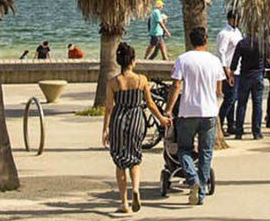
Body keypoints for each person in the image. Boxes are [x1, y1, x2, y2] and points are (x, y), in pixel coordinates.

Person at [102, 42, 168, 214]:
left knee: (120, 161)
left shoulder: (113, 82)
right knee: (135, 157)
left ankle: (124, 202)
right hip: (137, 120)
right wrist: (161, 119)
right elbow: (151, 103)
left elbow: (109, 107)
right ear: (132, 60)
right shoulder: (141, 80)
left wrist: (105, 129)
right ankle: (136, 190)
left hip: (118, 121)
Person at [165, 26, 224, 207]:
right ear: (205, 40)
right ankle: (201, 191)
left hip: (188, 111)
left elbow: (176, 86)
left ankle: (192, 180)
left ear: (191, 41)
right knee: (206, 152)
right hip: (209, 112)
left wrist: (168, 109)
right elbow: (219, 90)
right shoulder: (215, 61)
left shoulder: (182, 59)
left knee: (184, 149)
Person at [229, 34, 266, 140]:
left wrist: (231, 74)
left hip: (245, 75)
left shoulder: (242, 43)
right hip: (258, 75)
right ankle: (256, 132)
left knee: (241, 104)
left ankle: (239, 131)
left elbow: (235, 60)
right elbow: (268, 57)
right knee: (257, 104)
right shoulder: (262, 43)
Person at [215, 11, 242, 135]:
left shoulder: (237, 32)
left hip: (237, 69)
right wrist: (227, 72)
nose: (238, 21)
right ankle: (219, 123)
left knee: (234, 98)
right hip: (228, 70)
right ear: (230, 19)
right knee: (229, 98)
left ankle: (231, 124)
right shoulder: (224, 34)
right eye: (236, 19)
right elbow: (221, 53)